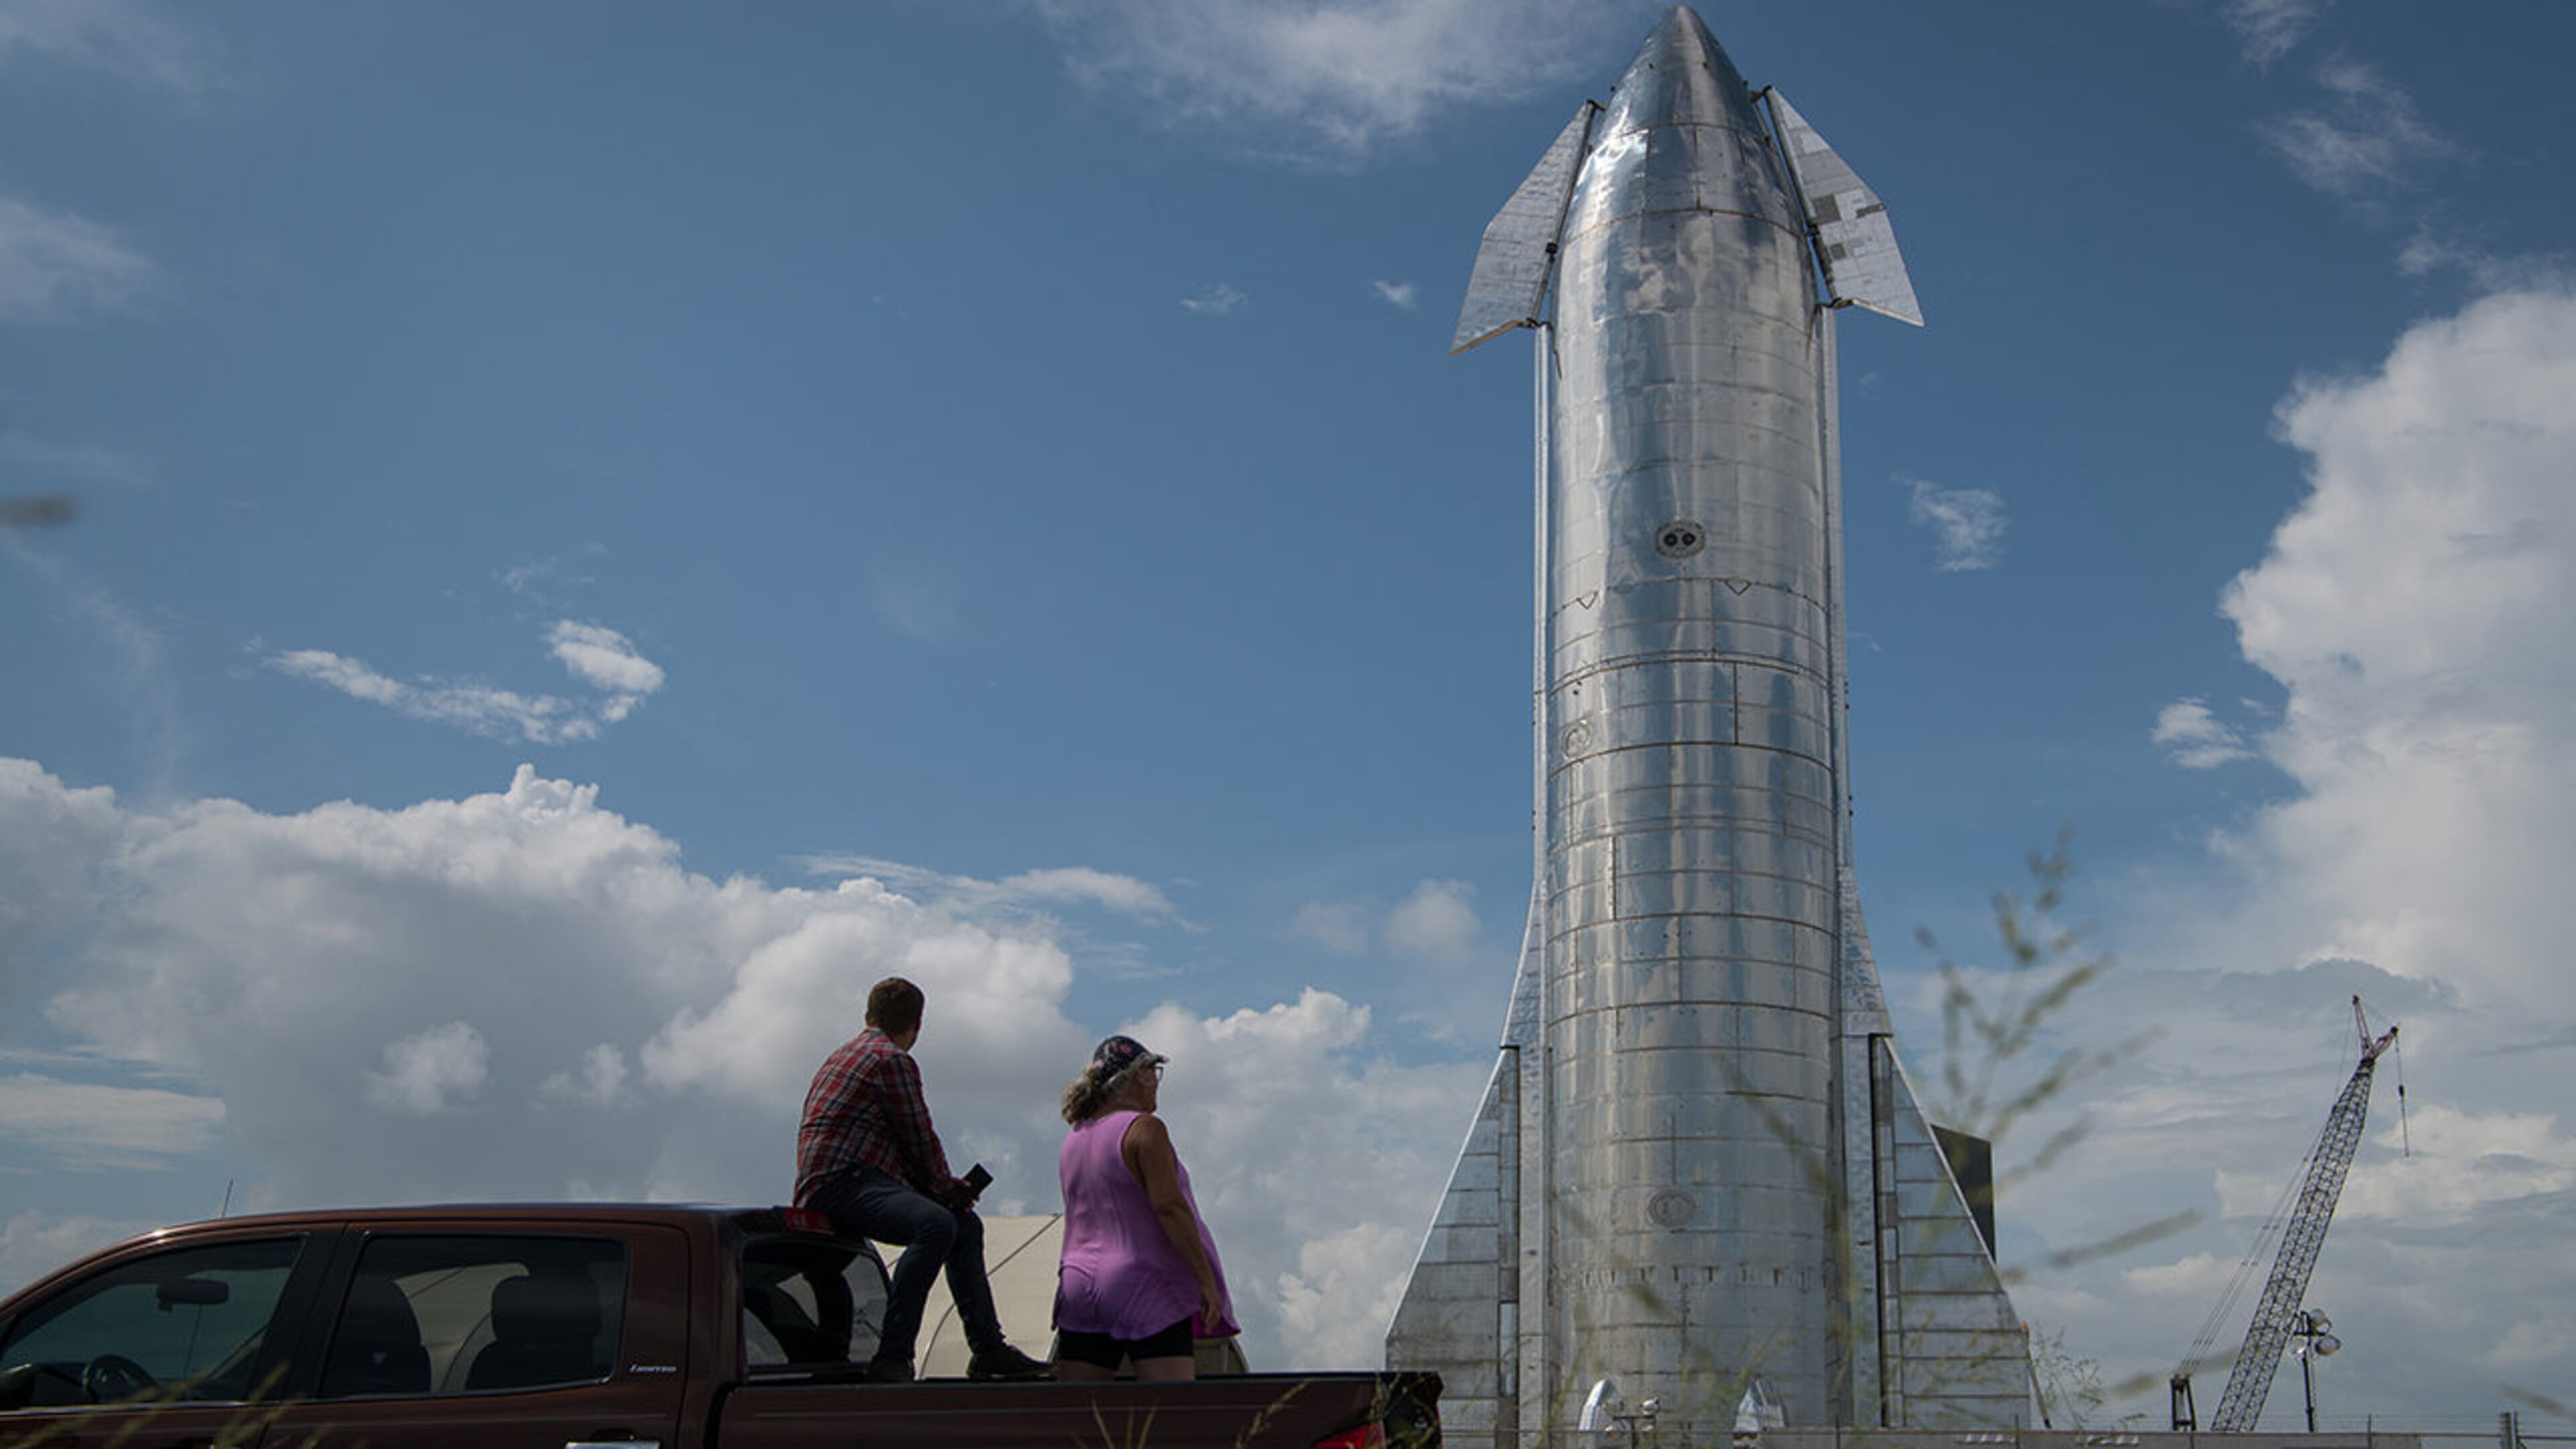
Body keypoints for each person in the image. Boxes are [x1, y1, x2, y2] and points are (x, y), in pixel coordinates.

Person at [794, 976, 1051, 1383]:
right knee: (935, 1224)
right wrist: (947, 1187)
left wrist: (938, 1191)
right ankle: (895, 1355)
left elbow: (893, 1147)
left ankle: (988, 1348)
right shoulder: (890, 1060)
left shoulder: (840, 1056)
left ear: (869, 1013)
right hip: (845, 1183)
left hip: (829, 1185)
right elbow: (917, 1136)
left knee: (963, 1227)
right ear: (917, 1023)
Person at [1051, 1034, 1237, 1382]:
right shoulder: (1144, 1130)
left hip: (1077, 1282)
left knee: (1077, 1414)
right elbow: (1169, 1208)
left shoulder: (1074, 1138)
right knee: (1170, 1415)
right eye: (1155, 1071)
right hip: (1142, 1282)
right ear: (1142, 1076)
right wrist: (1205, 1278)